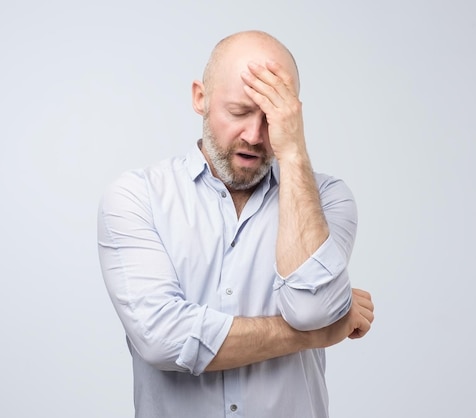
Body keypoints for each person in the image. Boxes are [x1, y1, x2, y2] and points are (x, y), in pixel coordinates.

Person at [97, 29, 375, 418]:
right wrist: (314, 334)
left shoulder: (328, 199)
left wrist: (293, 153)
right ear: (200, 97)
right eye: (240, 112)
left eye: (273, 118)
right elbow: (161, 339)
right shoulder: (137, 197)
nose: (255, 135)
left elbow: (312, 307)